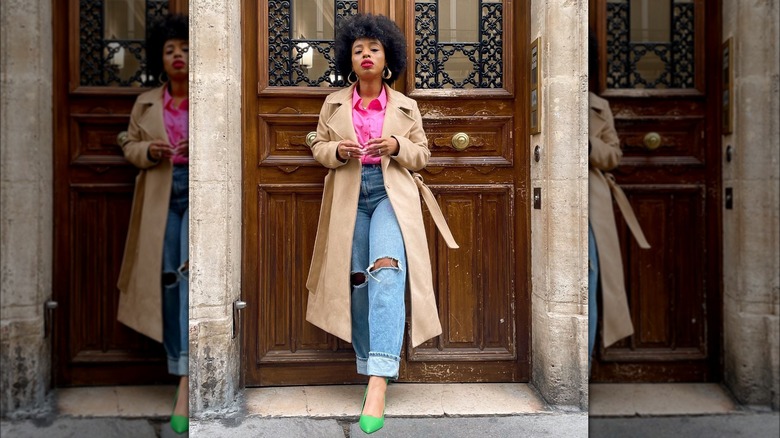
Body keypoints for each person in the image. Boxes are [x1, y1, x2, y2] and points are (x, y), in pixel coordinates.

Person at [305, 13, 457, 434]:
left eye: (374, 48)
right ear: (349, 60)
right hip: (348, 196)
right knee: (357, 279)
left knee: (387, 273)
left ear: (387, 56)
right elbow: (317, 144)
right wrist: (336, 150)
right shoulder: (333, 103)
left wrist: (396, 145)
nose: (366, 54)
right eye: (358, 50)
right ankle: (370, 361)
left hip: (391, 195)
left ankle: (378, 382)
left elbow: (423, 155)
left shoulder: (406, 106)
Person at [116, 13, 190, 434]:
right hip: (161, 193)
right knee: (168, 279)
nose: (177, 55)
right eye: (169, 50)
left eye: (183, 48)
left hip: (198, 193)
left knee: (190, 277)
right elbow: (128, 143)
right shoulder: (146, 101)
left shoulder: (207, 96)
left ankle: (185, 382)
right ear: (160, 58)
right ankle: (179, 365)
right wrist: (149, 150)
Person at [588, 31, 650, 369]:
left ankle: (584, 361)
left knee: (590, 276)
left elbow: (614, 155)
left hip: (591, 204)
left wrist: (588, 147)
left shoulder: (600, 107)